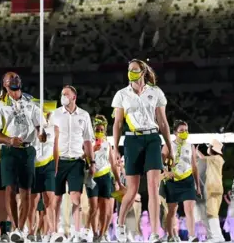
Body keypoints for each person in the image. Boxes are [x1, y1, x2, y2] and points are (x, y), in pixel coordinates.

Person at [111, 59, 173, 243]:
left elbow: (163, 122)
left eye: (135, 70)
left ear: (143, 71)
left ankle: (155, 233)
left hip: (153, 139)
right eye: (129, 70)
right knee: (132, 189)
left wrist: (169, 145)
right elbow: (118, 123)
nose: (131, 73)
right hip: (132, 140)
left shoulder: (155, 92)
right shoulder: (122, 94)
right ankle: (120, 223)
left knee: (154, 187)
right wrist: (116, 148)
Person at [0, 72, 45, 242]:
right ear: (4, 84)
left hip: (27, 150)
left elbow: (40, 126)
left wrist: (43, 134)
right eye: (10, 78)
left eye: (17, 77)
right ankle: (15, 226)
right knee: (10, 190)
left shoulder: (31, 103)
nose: (14, 79)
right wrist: (9, 140)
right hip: (9, 151)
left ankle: (20, 228)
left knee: (26, 191)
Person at [51, 85, 94, 242]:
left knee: (76, 197)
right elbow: (48, 139)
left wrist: (92, 161)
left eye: (66, 94)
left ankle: (77, 232)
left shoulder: (84, 115)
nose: (63, 96)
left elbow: (88, 140)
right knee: (56, 198)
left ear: (74, 97)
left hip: (76, 161)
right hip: (58, 161)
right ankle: (55, 231)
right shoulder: (54, 115)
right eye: (62, 94)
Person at [162, 120, 200, 242]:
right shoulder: (168, 145)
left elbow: (194, 167)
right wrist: (165, 172)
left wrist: (198, 186)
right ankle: (170, 235)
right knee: (172, 211)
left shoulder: (191, 146)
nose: (184, 133)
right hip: (173, 180)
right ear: (175, 132)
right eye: (181, 131)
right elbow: (161, 160)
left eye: (186, 130)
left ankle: (192, 235)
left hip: (188, 180)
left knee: (189, 209)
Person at [85, 115, 120, 242]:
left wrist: (118, 181)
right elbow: (82, 157)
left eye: (101, 130)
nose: (99, 132)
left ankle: (102, 234)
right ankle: (94, 232)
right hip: (92, 177)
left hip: (105, 177)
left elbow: (113, 164)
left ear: (105, 130)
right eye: (97, 130)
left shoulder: (107, 144)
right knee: (93, 207)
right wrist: (93, 149)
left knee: (106, 208)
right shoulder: (87, 142)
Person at [28, 109, 56, 242]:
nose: (44, 117)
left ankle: (53, 231)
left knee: (49, 200)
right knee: (32, 202)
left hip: (48, 166)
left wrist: (56, 168)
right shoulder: (31, 127)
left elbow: (56, 149)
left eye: (46, 115)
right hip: (34, 166)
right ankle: (31, 232)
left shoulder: (54, 129)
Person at [197, 139, 225, 243]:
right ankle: (215, 236)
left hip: (213, 189)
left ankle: (216, 237)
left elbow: (203, 158)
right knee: (211, 213)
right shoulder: (215, 159)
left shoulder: (217, 158)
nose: (208, 148)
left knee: (212, 214)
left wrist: (195, 150)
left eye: (209, 147)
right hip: (213, 189)